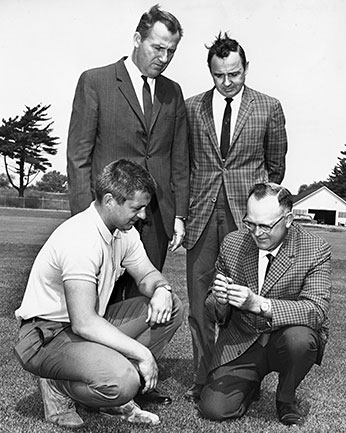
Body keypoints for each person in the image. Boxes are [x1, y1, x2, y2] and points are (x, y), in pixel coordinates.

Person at [14, 159, 184, 428]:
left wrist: (161, 288)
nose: (142, 216)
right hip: (47, 335)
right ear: (109, 200)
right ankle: (59, 386)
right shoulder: (80, 239)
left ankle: (103, 382)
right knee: (125, 381)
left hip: (84, 327)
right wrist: (143, 354)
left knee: (170, 306)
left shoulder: (123, 232)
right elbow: (83, 322)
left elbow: (147, 275)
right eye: (136, 208)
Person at [183, 33, 288, 401]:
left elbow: (276, 168)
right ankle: (202, 379)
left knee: (245, 301)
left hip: (247, 221)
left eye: (235, 74)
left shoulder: (269, 107)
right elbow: (186, 165)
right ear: (209, 72)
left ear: (246, 68)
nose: (227, 83)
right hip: (202, 218)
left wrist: (258, 211)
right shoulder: (191, 107)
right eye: (219, 76)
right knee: (201, 303)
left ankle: (245, 376)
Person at [67, 4, 189, 293]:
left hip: (157, 218)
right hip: (107, 215)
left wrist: (179, 216)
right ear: (137, 39)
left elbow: (180, 160)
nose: (164, 58)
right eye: (157, 48)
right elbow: (78, 157)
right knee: (101, 302)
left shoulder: (173, 92)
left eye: (171, 51)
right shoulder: (96, 81)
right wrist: (85, 217)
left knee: (143, 304)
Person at [199, 182, 331, 426]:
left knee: (301, 340)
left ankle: (286, 397)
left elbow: (317, 310)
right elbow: (213, 310)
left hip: (286, 339)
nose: (256, 233)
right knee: (214, 410)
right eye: (250, 223)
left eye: (265, 226)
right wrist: (220, 301)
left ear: (288, 219)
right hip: (242, 340)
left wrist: (260, 304)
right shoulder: (232, 243)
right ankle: (249, 383)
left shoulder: (314, 248)